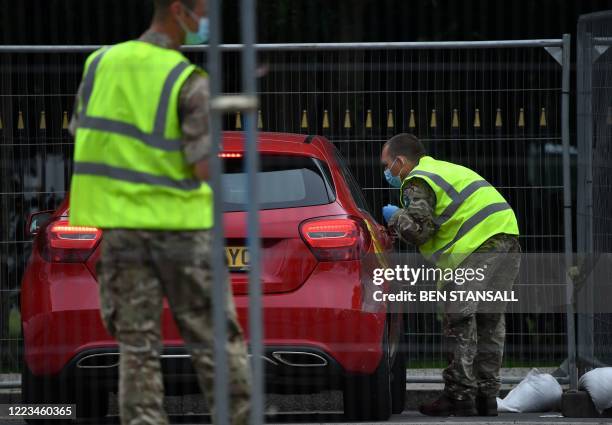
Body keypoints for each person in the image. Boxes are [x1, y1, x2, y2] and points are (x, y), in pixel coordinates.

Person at [68, 1, 251, 424]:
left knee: (137, 348)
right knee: (216, 343)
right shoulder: (187, 81)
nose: (207, 22)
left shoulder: (99, 65)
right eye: (203, 10)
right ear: (178, 10)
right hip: (180, 231)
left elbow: (86, 135)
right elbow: (203, 167)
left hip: (122, 231)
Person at [380, 133, 521, 417]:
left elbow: (420, 231)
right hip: (507, 238)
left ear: (400, 161)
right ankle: (487, 398)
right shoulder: (445, 169)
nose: (387, 172)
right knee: (490, 321)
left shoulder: (417, 179)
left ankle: (460, 397)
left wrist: (395, 217)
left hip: (477, 246)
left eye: (387, 165)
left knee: (460, 321)